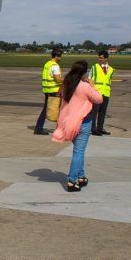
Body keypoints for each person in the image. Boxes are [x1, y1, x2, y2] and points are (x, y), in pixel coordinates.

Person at [51, 60, 102, 192]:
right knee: (78, 152)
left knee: (79, 151)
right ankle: (72, 181)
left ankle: (81, 177)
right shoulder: (84, 86)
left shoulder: (66, 84)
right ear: (84, 72)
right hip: (82, 122)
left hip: (67, 122)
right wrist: (93, 86)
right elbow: (98, 99)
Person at [33, 49, 63, 135]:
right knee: (60, 109)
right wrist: (68, 79)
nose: (61, 58)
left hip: (47, 90)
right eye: (60, 56)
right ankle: (59, 129)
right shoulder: (55, 66)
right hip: (54, 91)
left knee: (46, 109)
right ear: (57, 56)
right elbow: (57, 79)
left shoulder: (47, 64)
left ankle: (39, 128)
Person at [89, 50, 113, 136]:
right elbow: (91, 80)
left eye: (101, 58)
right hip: (97, 93)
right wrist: (93, 91)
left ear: (106, 58)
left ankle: (100, 128)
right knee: (94, 112)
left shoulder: (111, 69)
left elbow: (108, 81)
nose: (99, 59)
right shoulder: (94, 67)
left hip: (106, 93)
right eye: (99, 58)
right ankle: (93, 129)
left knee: (103, 112)